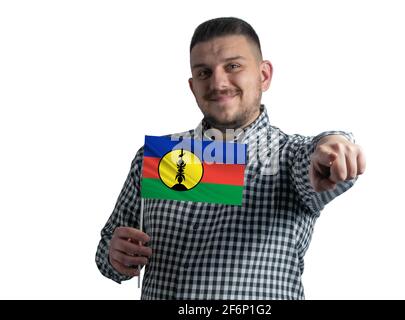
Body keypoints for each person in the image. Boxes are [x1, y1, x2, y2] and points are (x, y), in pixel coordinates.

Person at [95, 17, 366, 299]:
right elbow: (106, 254)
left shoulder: (289, 157)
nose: (218, 83)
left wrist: (334, 144)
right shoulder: (154, 158)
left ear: (264, 75)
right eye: (204, 72)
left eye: (233, 66)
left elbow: (318, 156)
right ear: (192, 86)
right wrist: (116, 257)